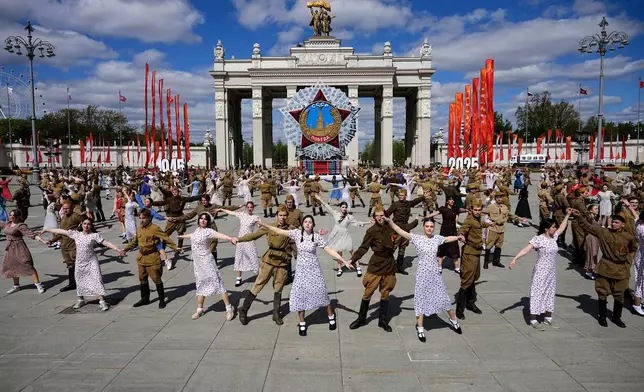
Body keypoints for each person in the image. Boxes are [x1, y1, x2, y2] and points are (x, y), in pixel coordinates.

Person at [258, 215, 352, 336]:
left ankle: (331, 316)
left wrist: (343, 261)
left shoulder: (316, 237)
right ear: (303, 224)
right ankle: (302, 323)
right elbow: (279, 231)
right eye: (306, 222)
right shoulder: (297, 234)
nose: (308, 224)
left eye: (310, 222)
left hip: (314, 271)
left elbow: (330, 250)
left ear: (313, 224)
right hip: (301, 272)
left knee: (322, 294)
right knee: (299, 296)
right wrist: (264, 225)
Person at [387, 217, 463, 342]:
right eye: (427, 226)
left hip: (435, 274)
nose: (429, 228)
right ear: (423, 227)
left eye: (431, 226)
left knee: (443, 297)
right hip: (422, 275)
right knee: (420, 299)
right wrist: (389, 222)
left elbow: (447, 238)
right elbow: (400, 231)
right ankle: (420, 327)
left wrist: (458, 237)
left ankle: (453, 320)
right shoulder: (418, 239)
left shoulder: (436, 238)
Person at [509, 210, 572, 330]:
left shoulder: (554, 237)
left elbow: (562, 228)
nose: (555, 229)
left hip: (551, 271)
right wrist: (515, 259)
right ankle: (533, 319)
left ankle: (548, 318)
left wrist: (568, 215)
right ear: (546, 229)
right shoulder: (538, 239)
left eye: (554, 227)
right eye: (553, 227)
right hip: (540, 271)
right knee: (537, 293)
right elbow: (526, 249)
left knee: (549, 293)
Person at [42, 218, 122, 311]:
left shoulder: (94, 235)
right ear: (81, 224)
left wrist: (118, 249)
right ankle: (80, 299)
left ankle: (102, 301)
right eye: (84, 224)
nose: (86, 226)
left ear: (91, 226)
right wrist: (47, 230)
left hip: (92, 261)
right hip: (80, 262)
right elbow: (61, 231)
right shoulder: (76, 234)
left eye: (88, 224)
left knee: (97, 279)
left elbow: (106, 242)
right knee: (79, 280)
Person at [574, 211, 637, 328]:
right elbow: (588, 226)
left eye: (616, 222)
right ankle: (602, 316)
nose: (613, 224)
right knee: (602, 293)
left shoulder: (628, 237)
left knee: (619, 294)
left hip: (621, 269)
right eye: (613, 221)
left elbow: (633, 249)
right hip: (605, 267)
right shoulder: (603, 232)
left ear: (623, 224)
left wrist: (628, 262)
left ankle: (616, 317)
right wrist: (578, 216)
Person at [235, 205, 295, 325]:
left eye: (284, 215)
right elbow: (254, 235)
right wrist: (238, 239)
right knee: (259, 284)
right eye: (280, 215)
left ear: (287, 216)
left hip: (282, 262)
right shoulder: (270, 226)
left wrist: (299, 258)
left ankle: (276, 314)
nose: (282, 217)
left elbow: (295, 244)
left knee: (279, 288)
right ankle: (244, 309)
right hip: (269, 260)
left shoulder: (291, 229)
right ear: (277, 215)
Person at [348, 204, 398, 332]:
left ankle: (383, 320)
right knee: (368, 292)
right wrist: (353, 259)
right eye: (378, 216)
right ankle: (361, 318)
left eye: (382, 215)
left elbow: (403, 232)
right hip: (376, 264)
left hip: (389, 264)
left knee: (386, 293)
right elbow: (363, 247)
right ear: (374, 218)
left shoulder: (391, 228)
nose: (380, 218)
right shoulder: (371, 231)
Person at [178, 213, 236, 321]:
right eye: (201, 218)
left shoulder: (209, 231)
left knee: (217, 283)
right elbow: (192, 235)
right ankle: (200, 309)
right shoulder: (197, 231)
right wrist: (182, 236)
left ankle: (229, 308)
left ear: (208, 222)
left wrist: (230, 238)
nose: (203, 220)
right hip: (198, 263)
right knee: (200, 284)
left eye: (205, 219)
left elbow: (220, 235)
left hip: (207, 261)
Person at [122, 208, 183, 309]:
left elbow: (165, 238)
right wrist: (125, 249)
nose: (141, 220)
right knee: (142, 279)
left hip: (152, 258)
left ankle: (162, 300)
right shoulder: (140, 228)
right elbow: (135, 242)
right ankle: (145, 299)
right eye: (140, 218)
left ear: (149, 218)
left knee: (156, 279)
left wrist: (175, 247)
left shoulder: (154, 228)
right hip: (141, 258)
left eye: (144, 218)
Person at [314, 195, 369, 277]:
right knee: (339, 252)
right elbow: (327, 206)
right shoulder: (335, 214)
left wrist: (367, 222)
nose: (344, 208)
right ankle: (339, 268)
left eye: (345, 207)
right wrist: (320, 199)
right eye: (343, 207)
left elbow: (357, 223)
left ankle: (358, 267)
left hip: (345, 234)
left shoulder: (349, 217)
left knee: (351, 250)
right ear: (340, 208)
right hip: (336, 234)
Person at [457, 200, 491, 319]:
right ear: (471, 210)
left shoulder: (476, 219)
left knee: (474, 278)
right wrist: (461, 235)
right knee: (466, 280)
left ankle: (471, 303)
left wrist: (488, 224)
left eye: (479, 210)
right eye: (475, 210)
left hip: (476, 253)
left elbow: (479, 224)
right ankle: (459, 310)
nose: (477, 212)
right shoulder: (469, 219)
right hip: (469, 253)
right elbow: (463, 228)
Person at [1, 210, 48, 294]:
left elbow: (31, 234)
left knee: (28, 265)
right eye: (10, 215)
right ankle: (16, 286)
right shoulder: (7, 224)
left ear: (17, 216)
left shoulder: (20, 226)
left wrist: (43, 241)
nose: (11, 217)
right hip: (9, 249)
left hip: (19, 247)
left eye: (13, 216)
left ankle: (38, 285)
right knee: (12, 266)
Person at [218, 201, 260, 287]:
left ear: (253, 208)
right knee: (239, 259)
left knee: (253, 257)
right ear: (246, 208)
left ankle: (259, 276)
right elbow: (232, 213)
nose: (249, 209)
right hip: (240, 241)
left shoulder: (255, 217)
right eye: (248, 207)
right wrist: (221, 209)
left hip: (249, 240)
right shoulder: (242, 215)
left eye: (251, 207)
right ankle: (239, 278)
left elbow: (262, 227)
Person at [49, 200, 86, 292]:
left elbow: (86, 224)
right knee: (70, 265)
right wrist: (52, 240)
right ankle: (72, 283)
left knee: (77, 264)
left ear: (72, 208)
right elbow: (61, 231)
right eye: (63, 208)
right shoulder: (63, 217)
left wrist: (77, 229)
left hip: (73, 245)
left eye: (67, 208)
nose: (65, 210)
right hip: (64, 245)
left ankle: (83, 282)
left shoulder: (76, 216)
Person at [632, 211, 644, 316]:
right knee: (640, 282)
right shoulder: (643, 229)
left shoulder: (639, 223)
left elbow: (636, 216)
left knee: (640, 280)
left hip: (640, 254)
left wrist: (629, 206)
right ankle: (637, 305)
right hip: (642, 258)